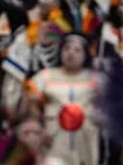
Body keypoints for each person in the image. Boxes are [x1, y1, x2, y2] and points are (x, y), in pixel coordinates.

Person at [29, 34, 100, 165]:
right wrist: (39, 128)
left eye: (77, 50)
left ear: (85, 55)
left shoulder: (96, 79)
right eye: (67, 48)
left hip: (86, 139)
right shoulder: (45, 77)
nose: (71, 53)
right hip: (53, 138)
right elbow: (32, 104)